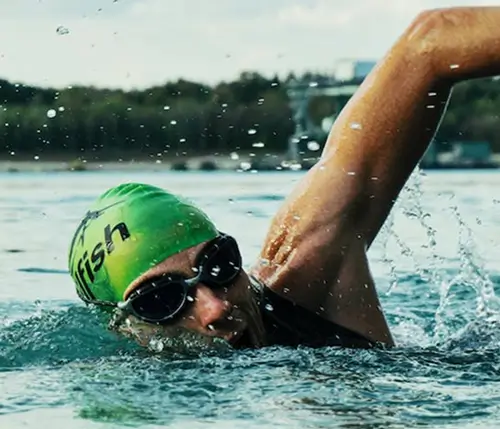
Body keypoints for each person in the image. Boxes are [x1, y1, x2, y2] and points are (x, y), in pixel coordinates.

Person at [68, 6, 500, 351]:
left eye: (219, 266)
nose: (215, 308)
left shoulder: (304, 273)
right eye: (161, 300)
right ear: (125, 328)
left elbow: (430, 43)